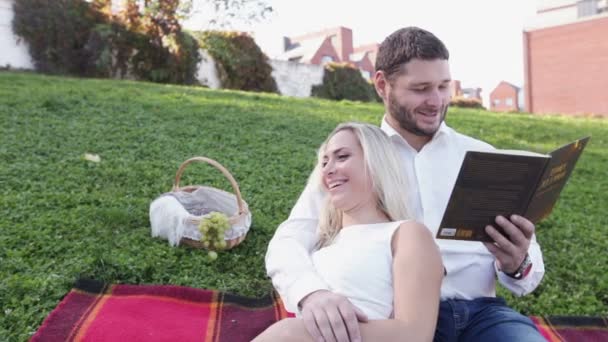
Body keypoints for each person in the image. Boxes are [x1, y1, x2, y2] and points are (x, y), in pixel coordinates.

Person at [265, 27, 546, 342]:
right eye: (421, 88)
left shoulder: (482, 157)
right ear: (383, 85)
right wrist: (311, 293)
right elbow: (288, 241)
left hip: (483, 314)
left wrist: (516, 262)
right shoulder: (355, 159)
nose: (436, 101)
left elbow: (527, 276)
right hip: (396, 317)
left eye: (443, 86)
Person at [254, 122, 444, 341]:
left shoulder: (406, 234)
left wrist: (296, 333)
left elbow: (414, 335)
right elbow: (283, 246)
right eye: (324, 162)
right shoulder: (322, 243)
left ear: (376, 163)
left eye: (342, 157)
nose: (328, 169)